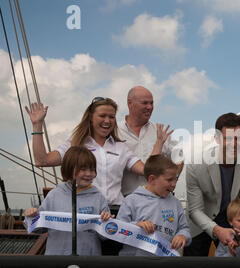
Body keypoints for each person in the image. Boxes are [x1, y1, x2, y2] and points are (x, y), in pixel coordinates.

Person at [25, 98, 170, 211]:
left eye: (112, 117)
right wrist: (37, 125)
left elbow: (147, 172)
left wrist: (158, 144)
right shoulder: (75, 145)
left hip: (115, 211)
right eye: (102, 116)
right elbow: (41, 161)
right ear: (90, 118)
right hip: (85, 210)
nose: (107, 121)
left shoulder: (121, 148)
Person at [184, 113, 240, 256]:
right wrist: (216, 230)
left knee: (232, 267)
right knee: (194, 266)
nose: (233, 144)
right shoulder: (195, 165)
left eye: (238, 138)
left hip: (231, 219)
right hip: (201, 219)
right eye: (227, 138)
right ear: (216, 138)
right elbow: (195, 210)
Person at [24, 146, 112, 255]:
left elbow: (105, 237)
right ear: (69, 169)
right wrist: (31, 217)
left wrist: (107, 223)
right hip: (57, 263)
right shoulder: (54, 195)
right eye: (83, 169)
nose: (89, 174)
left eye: (92, 169)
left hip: (89, 263)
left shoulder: (99, 198)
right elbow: (38, 229)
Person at [116, 154, 191, 256]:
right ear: (152, 179)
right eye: (169, 180)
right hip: (134, 264)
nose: (174, 184)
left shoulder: (176, 203)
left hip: (164, 264)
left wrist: (182, 236)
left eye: (176, 179)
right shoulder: (131, 200)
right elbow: (117, 230)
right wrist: (136, 226)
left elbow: (184, 228)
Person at [118, 86, 183, 197]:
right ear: (130, 103)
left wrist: (173, 179)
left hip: (157, 200)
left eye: (151, 103)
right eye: (144, 103)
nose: (149, 107)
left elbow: (179, 158)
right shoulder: (115, 131)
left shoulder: (160, 131)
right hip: (123, 200)